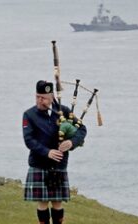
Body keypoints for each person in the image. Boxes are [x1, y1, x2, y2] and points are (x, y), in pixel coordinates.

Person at [22, 80, 87, 224]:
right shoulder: (29, 115)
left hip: (59, 165)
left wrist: (71, 143)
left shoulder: (64, 112)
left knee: (57, 203)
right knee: (42, 203)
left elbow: (82, 130)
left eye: (43, 97)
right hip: (39, 164)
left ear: (52, 97)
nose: (40, 100)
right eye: (37, 96)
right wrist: (47, 152)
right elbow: (29, 140)